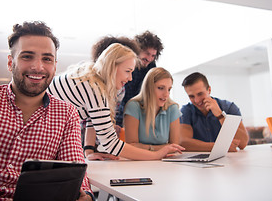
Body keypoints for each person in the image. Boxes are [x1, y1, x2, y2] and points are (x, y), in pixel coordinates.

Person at [0, 21, 93, 201]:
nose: (38, 67)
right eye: (27, 56)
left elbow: (74, 172)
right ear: (11, 62)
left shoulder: (67, 114)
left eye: (47, 59)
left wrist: (84, 194)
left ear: (55, 66)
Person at [48, 43, 184, 161]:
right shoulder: (94, 88)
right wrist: (156, 155)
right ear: (112, 67)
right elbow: (111, 143)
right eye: (128, 71)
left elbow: (91, 116)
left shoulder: (90, 76)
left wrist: (88, 150)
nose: (130, 78)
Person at [179, 72, 249, 152]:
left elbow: (242, 143)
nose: (197, 100)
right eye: (191, 96)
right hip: (199, 162)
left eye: (200, 94)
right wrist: (220, 147)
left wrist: (220, 115)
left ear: (209, 90)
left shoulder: (229, 107)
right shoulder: (186, 111)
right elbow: (183, 143)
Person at [123, 67, 181, 151]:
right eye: (161, 88)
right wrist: (158, 148)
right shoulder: (133, 106)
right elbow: (131, 146)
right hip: (139, 161)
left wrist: (145, 147)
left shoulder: (172, 108)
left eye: (169, 89)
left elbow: (175, 147)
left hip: (164, 160)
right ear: (148, 88)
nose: (166, 94)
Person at [116, 31, 164, 127]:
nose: (149, 59)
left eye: (153, 56)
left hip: (139, 111)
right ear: (137, 50)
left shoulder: (151, 67)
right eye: (147, 53)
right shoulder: (126, 63)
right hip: (120, 108)